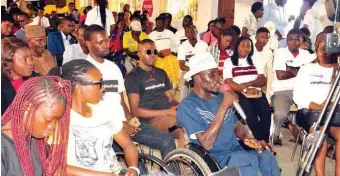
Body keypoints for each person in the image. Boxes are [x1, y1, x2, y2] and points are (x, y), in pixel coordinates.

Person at [177, 52, 280, 176]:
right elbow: (207, 143)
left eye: (218, 74)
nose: (219, 79)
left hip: (235, 151)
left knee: (267, 157)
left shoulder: (219, 97)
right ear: (197, 78)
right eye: (212, 75)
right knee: (247, 167)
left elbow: (236, 126)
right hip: (214, 159)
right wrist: (224, 106)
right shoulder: (188, 106)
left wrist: (249, 138)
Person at [84, 24, 176, 159]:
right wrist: (119, 124)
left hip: (124, 123)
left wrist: (130, 119)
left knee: (167, 140)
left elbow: (120, 100)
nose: (106, 45)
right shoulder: (84, 70)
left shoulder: (113, 68)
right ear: (88, 43)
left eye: (107, 40)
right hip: (105, 128)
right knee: (138, 167)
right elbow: (89, 110)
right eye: (100, 42)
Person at [49, 60, 139, 176]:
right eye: (99, 83)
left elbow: (127, 145)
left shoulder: (105, 108)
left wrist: (133, 168)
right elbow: (55, 167)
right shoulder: (60, 118)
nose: (104, 87)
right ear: (79, 88)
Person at [1, 76, 72, 176]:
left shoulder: (36, 140)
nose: (53, 126)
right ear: (27, 108)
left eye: (57, 120)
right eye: (49, 120)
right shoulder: (3, 147)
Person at [125, 39, 186, 148]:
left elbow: (171, 99)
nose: (153, 55)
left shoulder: (161, 73)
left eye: (155, 52)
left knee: (195, 120)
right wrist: (166, 112)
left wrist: (182, 106)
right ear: (139, 54)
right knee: (181, 128)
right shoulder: (133, 76)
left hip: (168, 114)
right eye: (148, 52)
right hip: (152, 121)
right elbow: (135, 111)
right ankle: (184, 163)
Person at [293, 33, 340, 176]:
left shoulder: (337, 70)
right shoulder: (306, 69)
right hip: (309, 112)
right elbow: (298, 97)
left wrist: (332, 106)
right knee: (320, 136)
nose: (324, 53)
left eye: (327, 49)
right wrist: (320, 106)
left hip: (332, 113)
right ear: (316, 49)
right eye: (321, 49)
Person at [223, 37, 273, 150]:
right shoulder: (229, 61)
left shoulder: (256, 60)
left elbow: (262, 79)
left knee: (266, 112)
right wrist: (245, 89)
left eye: (249, 46)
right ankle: (261, 142)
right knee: (250, 114)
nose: (246, 48)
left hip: (255, 91)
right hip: (239, 92)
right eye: (243, 45)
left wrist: (249, 84)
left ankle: (264, 140)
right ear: (237, 47)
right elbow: (228, 81)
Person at [271, 29, 315, 145]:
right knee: (280, 113)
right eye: (290, 39)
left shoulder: (306, 54)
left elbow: (311, 72)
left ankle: (306, 135)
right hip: (283, 90)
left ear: (302, 40)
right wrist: (301, 70)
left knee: (312, 112)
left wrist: (290, 69)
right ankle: (276, 134)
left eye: (297, 39)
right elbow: (280, 75)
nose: (293, 42)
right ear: (287, 41)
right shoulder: (280, 52)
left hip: (302, 90)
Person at [1, 37, 38, 115]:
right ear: (8, 62)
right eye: (24, 59)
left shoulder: (36, 79)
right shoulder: (2, 86)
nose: (30, 62)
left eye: (31, 57)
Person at [178, 25, 208, 100]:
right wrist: (192, 71)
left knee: (202, 94)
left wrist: (199, 71)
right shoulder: (182, 47)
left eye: (192, 32)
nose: (190, 34)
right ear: (185, 34)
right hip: (187, 71)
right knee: (183, 94)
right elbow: (181, 65)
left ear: (196, 32)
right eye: (187, 32)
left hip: (201, 72)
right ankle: (183, 106)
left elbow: (207, 61)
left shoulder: (204, 45)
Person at [149, 16, 179, 86]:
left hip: (170, 57)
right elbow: (150, 48)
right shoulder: (151, 35)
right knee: (159, 76)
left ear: (164, 24)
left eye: (161, 23)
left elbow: (176, 44)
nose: (160, 25)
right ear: (156, 24)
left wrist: (173, 51)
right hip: (158, 58)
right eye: (158, 23)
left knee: (172, 75)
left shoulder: (170, 33)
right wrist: (157, 53)